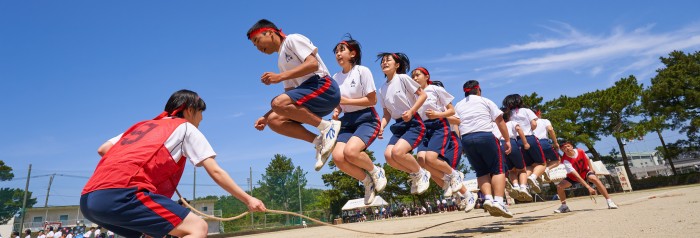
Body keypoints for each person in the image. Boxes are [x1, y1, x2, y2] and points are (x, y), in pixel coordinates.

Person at [84, 89, 266, 238]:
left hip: (89, 198)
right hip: (123, 194)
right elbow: (215, 171)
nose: (201, 119)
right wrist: (248, 199)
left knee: (153, 233)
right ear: (189, 110)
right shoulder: (185, 127)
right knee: (197, 228)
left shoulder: (142, 126)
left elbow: (103, 148)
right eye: (200, 113)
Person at [246, 19, 341, 171]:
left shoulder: (292, 40)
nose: (257, 47)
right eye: (254, 44)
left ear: (270, 33)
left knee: (277, 103)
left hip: (324, 87)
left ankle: (327, 127)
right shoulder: (281, 61)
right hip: (311, 98)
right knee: (274, 120)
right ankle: (319, 142)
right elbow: (289, 95)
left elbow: (313, 64)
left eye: (257, 40)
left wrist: (280, 77)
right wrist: (265, 116)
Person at [329, 36, 386, 205]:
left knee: (351, 152)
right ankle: (367, 182)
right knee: (338, 157)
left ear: (352, 54)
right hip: (347, 121)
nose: (338, 54)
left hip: (366, 118)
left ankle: (376, 171)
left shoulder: (363, 71)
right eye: (336, 52)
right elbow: (339, 102)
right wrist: (337, 110)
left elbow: (372, 100)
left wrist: (346, 102)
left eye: (342, 50)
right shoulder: (335, 77)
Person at [411, 67, 475, 212]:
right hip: (424, 129)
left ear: (427, 76)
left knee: (434, 161)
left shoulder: (435, 90)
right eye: (412, 76)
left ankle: (465, 193)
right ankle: (452, 185)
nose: (414, 78)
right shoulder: (414, 94)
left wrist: (438, 114)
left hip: (444, 132)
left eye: (417, 75)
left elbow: (454, 115)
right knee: (422, 161)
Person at [455, 80, 513, 218]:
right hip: (485, 136)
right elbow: (500, 122)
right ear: (478, 89)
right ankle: (498, 201)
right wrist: (508, 140)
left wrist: (461, 143)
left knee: (481, 171)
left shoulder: (458, 105)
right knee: (498, 169)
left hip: (467, 139)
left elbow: (456, 126)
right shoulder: (485, 101)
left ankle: (487, 198)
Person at [376, 52, 431, 194]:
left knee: (398, 152)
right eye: (382, 61)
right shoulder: (382, 89)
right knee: (389, 156)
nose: (384, 63)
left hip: (413, 123)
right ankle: (415, 173)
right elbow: (387, 114)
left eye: (388, 60)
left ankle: (421, 173)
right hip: (398, 125)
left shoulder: (403, 79)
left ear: (397, 65)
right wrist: (381, 127)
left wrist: (412, 111)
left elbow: (423, 95)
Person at [554, 141, 619, 213]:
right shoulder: (565, 160)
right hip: (574, 177)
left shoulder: (580, 151)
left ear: (572, 146)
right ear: (562, 150)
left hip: (585, 172)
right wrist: (589, 187)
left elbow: (587, 159)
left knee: (594, 179)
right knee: (559, 187)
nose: (567, 148)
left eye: (568, 146)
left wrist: (591, 169)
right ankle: (564, 206)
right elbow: (577, 176)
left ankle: (609, 201)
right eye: (564, 148)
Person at [502, 94, 546, 194]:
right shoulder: (526, 110)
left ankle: (524, 183)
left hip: (516, 141)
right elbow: (534, 124)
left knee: (528, 165)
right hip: (529, 138)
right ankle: (533, 177)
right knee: (542, 163)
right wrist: (530, 129)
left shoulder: (508, 114)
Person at [499, 112, 532, 202]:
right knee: (522, 169)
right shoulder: (512, 123)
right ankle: (523, 187)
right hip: (511, 142)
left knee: (511, 170)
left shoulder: (498, 125)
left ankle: (516, 186)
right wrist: (525, 142)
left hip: (500, 146)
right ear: (509, 116)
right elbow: (519, 129)